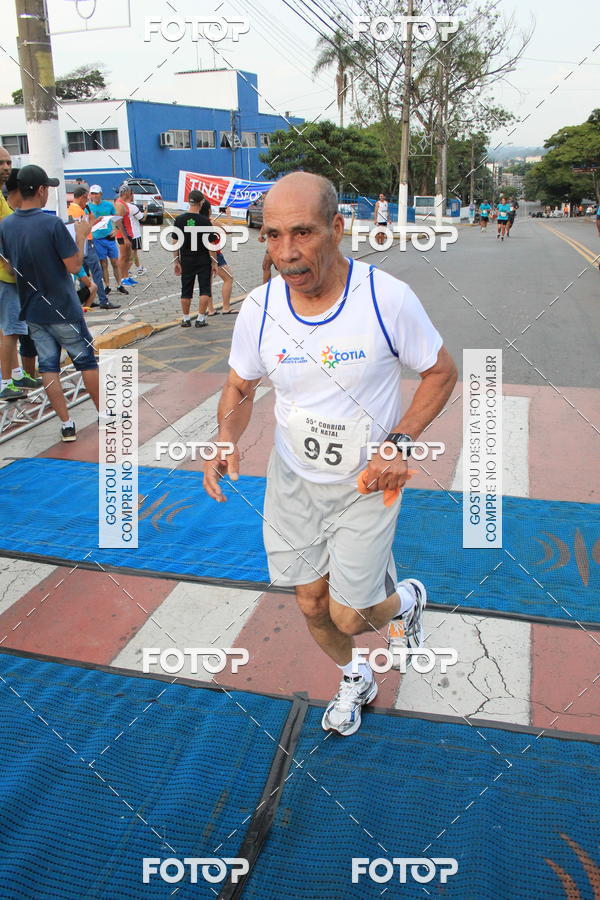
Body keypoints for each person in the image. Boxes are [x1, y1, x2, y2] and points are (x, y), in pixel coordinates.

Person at [203, 172, 457, 737]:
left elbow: (441, 372)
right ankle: (355, 676)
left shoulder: (384, 297)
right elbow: (239, 385)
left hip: (368, 479)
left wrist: (401, 440)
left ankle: (406, 599)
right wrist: (225, 436)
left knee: (350, 613)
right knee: (313, 604)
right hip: (293, 478)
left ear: (338, 229)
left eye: (302, 233)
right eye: (271, 236)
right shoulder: (260, 307)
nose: (286, 253)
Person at [0, 165, 100, 441]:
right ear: (41, 190)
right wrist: (81, 236)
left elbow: (8, 268)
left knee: (48, 367)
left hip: (32, 309)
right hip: (63, 307)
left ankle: (66, 425)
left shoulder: (6, 226)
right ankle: (105, 415)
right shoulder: (52, 224)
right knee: (87, 361)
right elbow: (74, 265)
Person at [0, 151, 41, 401]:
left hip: (10, 276)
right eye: (1, 163)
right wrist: (6, 262)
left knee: (8, 329)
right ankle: (6, 382)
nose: (6, 167)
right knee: (11, 330)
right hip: (5, 276)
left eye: (8, 162)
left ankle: (15, 374)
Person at [67, 186, 120, 310]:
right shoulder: (78, 211)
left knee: (83, 274)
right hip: (86, 243)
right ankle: (103, 300)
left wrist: (91, 216)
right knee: (96, 272)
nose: (88, 201)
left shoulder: (72, 208)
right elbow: (85, 229)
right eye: (87, 198)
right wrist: (94, 221)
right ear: (82, 197)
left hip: (79, 246)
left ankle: (87, 299)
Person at [172, 189, 218, 328]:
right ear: (202, 202)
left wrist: (176, 261)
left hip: (186, 259)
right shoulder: (205, 221)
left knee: (186, 289)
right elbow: (210, 244)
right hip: (203, 259)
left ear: (188, 201)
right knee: (205, 289)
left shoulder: (179, 220)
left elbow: (175, 242)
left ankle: (186, 319)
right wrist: (214, 263)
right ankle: (200, 318)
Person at [199, 199, 238, 316]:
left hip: (200, 254)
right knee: (228, 278)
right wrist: (229, 214)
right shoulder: (211, 221)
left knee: (207, 283)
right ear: (209, 210)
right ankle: (225, 307)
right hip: (215, 254)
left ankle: (210, 309)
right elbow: (229, 230)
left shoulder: (196, 221)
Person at [87, 185, 128, 295]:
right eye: (92, 193)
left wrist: (116, 230)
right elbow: (86, 223)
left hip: (109, 237)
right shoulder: (88, 207)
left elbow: (117, 219)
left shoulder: (108, 205)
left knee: (115, 262)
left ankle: (120, 285)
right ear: (90, 195)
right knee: (103, 263)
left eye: (96, 193)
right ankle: (107, 286)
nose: (94, 196)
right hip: (97, 239)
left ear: (101, 194)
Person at [114, 185, 138, 288]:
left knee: (129, 256)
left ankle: (126, 276)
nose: (131, 194)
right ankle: (122, 278)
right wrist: (124, 237)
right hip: (124, 234)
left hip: (128, 232)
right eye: (130, 192)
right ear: (126, 193)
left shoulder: (124, 203)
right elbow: (118, 221)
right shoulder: (119, 204)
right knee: (123, 257)